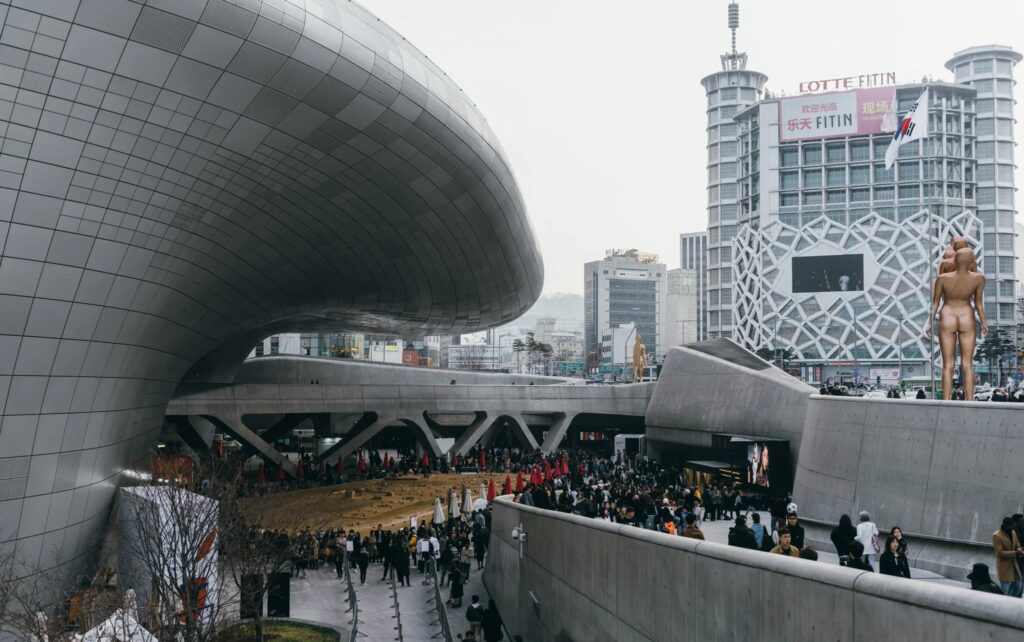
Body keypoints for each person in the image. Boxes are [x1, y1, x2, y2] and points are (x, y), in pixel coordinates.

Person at [992, 516, 1023, 597]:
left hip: (1014, 564)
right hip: (1004, 565)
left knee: (1018, 586)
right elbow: (1000, 553)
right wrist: (1016, 552)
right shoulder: (997, 535)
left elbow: (1017, 544)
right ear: (1006, 526)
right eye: (1011, 526)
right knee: (1005, 588)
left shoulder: (1013, 532)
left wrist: (1020, 549)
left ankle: (1010, 601)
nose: (1013, 528)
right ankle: (1005, 603)